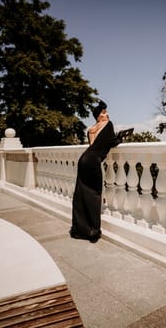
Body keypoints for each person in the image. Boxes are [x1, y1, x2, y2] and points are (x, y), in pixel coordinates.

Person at [70, 100, 132, 243]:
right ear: (98, 116)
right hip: (92, 163)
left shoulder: (91, 130)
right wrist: (121, 137)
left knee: (81, 195)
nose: (107, 114)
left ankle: (79, 229)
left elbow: (96, 145)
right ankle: (93, 231)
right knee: (94, 194)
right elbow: (111, 143)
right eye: (104, 112)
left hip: (84, 160)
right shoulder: (108, 125)